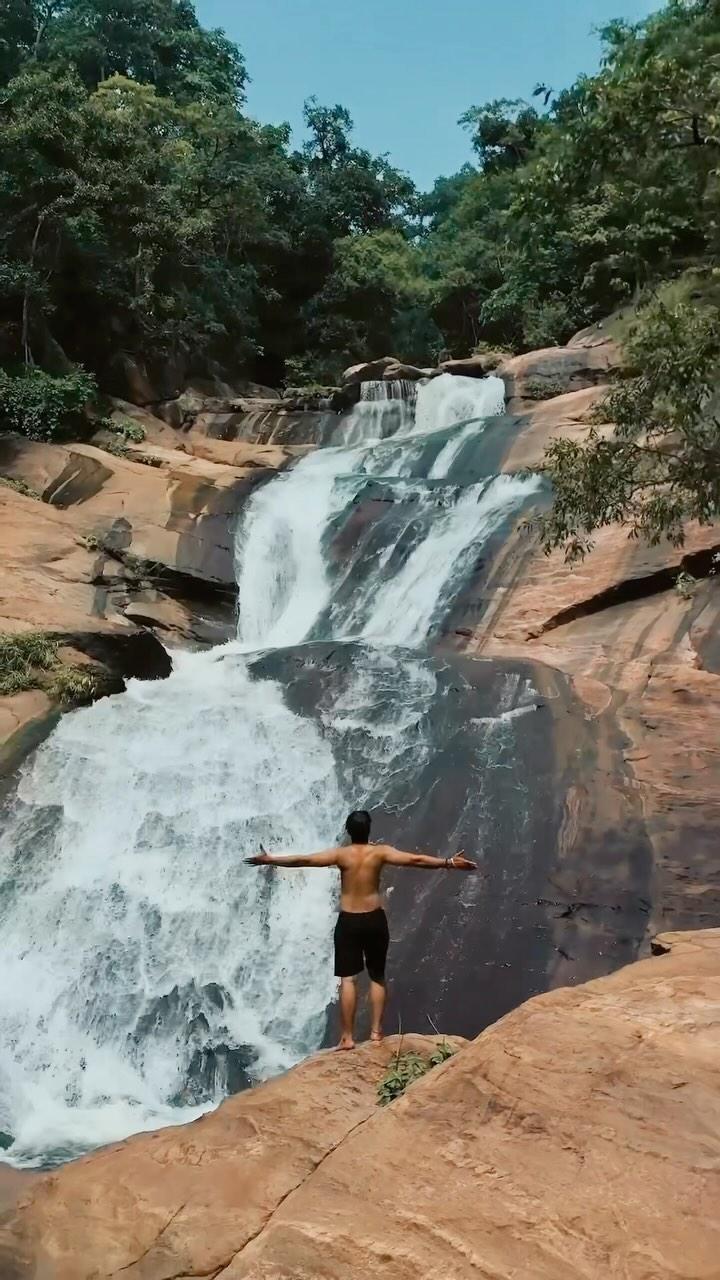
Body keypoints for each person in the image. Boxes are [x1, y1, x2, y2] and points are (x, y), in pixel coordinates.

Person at [247, 809, 476, 1050]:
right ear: (369, 830)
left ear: (348, 831)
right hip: (375, 920)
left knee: (348, 979)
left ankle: (347, 1038)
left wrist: (271, 859)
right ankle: (376, 1034)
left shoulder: (341, 855)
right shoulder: (380, 853)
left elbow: (304, 860)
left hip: (350, 922)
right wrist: (449, 862)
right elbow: (415, 860)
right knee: (377, 976)